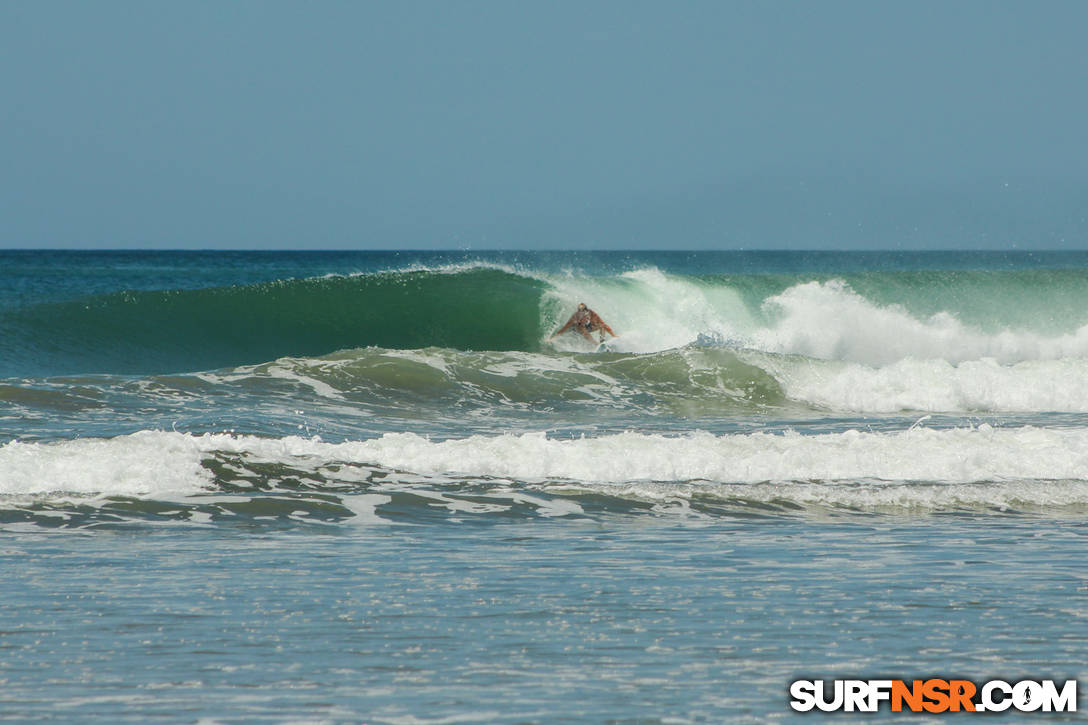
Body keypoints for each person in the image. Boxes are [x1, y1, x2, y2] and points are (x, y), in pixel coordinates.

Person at [550, 303, 617, 343]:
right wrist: (553, 338)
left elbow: (605, 325)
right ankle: (595, 344)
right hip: (575, 330)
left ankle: (602, 342)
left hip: (587, 329)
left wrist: (614, 336)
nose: (581, 314)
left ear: (587, 311)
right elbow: (565, 328)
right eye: (579, 311)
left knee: (602, 325)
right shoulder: (575, 316)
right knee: (580, 326)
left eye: (582, 312)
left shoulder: (593, 315)